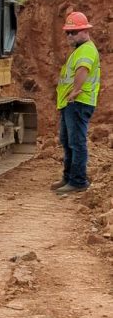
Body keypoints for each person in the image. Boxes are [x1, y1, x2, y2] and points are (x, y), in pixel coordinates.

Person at [53, 11, 100, 196]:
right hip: (71, 103)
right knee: (67, 141)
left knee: (76, 142)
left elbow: (82, 69)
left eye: (74, 32)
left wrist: (75, 90)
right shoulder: (79, 49)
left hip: (78, 102)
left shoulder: (86, 49)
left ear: (85, 31)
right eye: (68, 33)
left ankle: (78, 181)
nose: (70, 36)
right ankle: (68, 177)